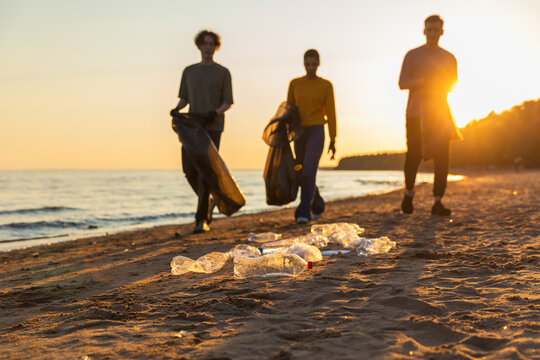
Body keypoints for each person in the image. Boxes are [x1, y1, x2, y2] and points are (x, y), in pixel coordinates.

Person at [399, 15, 462, 216]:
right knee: (413, 156)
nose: (433, 34)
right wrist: (426, 81)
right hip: (415, 114)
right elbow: (402, 83)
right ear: (423, 31)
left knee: (443, 158)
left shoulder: (449, 57)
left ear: (442, 32)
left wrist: (439, 83)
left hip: (440, 114)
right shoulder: (412, 55)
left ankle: (437, 202)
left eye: (437, 30)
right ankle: (408, 194)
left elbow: (453, 85)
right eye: (429, 30)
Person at [172, 30, 233, 233]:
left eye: (212, 44)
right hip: (192, 127)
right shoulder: (189, 71)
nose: (208, 48)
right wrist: (177, 109)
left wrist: (214, 113)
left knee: (206, 172)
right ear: (199, 46)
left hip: (213, 126)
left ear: (216, 47)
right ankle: (210, 200)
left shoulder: (223, 72)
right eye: (205, 44)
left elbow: (228, 102)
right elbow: (184, 99)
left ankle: (201, 220)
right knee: (189, 169)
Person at [287, 49, 337, 224]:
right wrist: (287, 132)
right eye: (308, 64)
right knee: (301, 171)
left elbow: (331, 113)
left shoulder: (326, 85)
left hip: (317, 131)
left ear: (319, 64)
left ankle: (304, 211)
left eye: (314, 64)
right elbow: (289, 110)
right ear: (303, 63)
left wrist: (333, 139)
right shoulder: (294, 84)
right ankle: (318, 203)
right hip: (299, 132)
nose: (311, 67)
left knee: (309, 170)